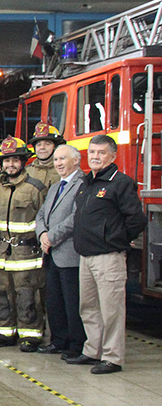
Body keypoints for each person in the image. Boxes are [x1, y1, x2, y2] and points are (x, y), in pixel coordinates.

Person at [67, 135, 146, 374]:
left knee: (111, 310)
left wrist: (115, 240)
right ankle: (93, 351)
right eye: (92, 152)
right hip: (86, 256)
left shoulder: (120, 183)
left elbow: (137, 219)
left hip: (108, 257)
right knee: (88, 308)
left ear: (112, 156)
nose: (95, 157)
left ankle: (113, 357)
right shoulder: (86, 183)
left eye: (101, 153)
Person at [0, 137, 47, 352]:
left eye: (14, 160)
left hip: (26, 253)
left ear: (23, 162)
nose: (10, 165)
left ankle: (30, 335)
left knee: (27, 295)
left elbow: (44, 219)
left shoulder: (35, 188)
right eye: (6, 161)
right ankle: (4, 332)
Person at [35, 144, 85, 359]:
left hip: (69, 253)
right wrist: (42, 235)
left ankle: (76, 345)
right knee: (54, 301)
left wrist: (51, 237)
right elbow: (40, 215)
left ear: (76, 160)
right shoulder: (55, 187)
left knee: (72, 302)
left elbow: (76, 218)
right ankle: (58, 340)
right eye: (56, 160)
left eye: (63, 159)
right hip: (51, 253)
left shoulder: (83, 184)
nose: (58, 163)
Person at [26, 122, 63, 190]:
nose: (42, 147)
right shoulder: (26, 172)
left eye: (47, 144)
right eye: (39, 144)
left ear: (55, 147)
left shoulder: (65, 170)